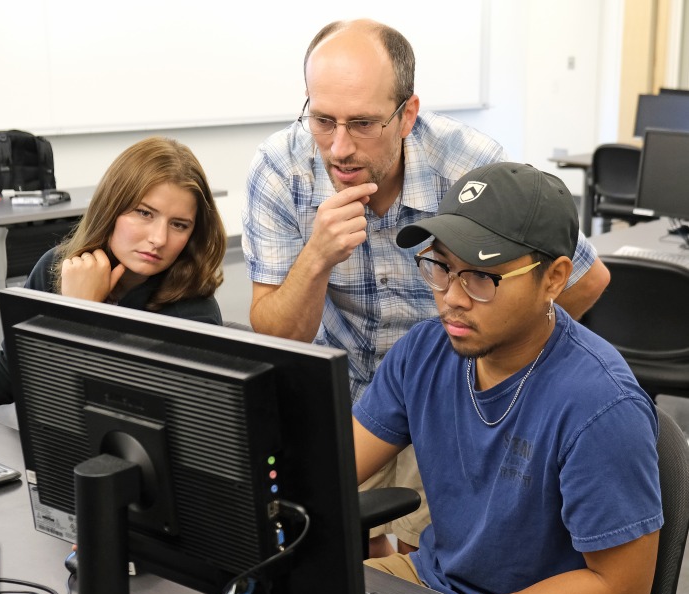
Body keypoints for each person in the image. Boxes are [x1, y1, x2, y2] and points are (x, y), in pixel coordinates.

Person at [242, 18, 611, 556]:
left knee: (442, 572)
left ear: (407, 114)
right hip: (342, 391)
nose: (338, 148)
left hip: (449, 395)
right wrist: (316, 259)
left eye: (363, 123)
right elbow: (278, 334)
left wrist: (494, 366)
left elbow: (583, 279)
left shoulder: (470, 167)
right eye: (323, 120)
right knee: (326, 559)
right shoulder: (281, 169)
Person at [353, 161, 663, 594]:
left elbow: (620, 589)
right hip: (432, 584)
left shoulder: (600, 406)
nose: (451, 298)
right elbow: (335, 466)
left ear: (555, 279)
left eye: (480, 276)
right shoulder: (423, 352)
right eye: (441, 267)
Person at [0, 136, 227, 406]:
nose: (159, 239)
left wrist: (80, 312)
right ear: (110, 208)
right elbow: (13, 372)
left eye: (179, 225)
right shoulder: (57, 267)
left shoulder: (194, 313)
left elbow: (111, 407)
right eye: (144, 213)